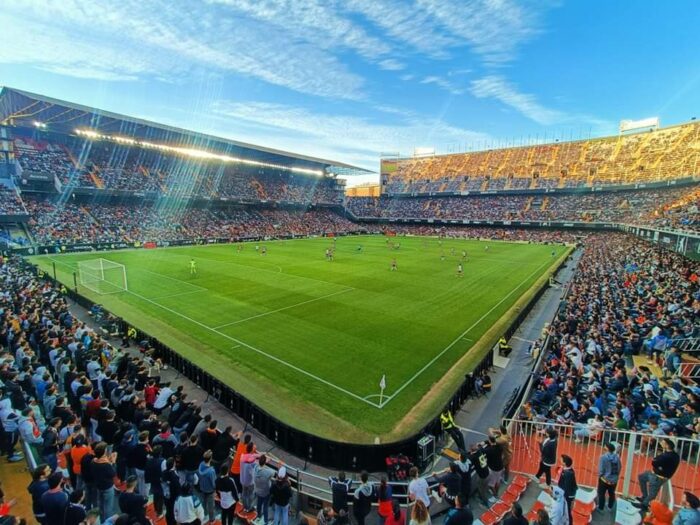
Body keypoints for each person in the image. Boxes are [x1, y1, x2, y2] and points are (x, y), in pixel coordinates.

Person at [635, 438, 680, 511]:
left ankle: (644, 504)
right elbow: (656, 462)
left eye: (663, 443)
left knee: (653, 492)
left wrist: (657, 464)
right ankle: (644, 497)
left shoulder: (667, 456)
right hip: (655, 473)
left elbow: (654, 462)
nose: (661, 444)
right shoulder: (674, 455)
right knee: (641, 477)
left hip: (659, 476)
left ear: (667, 445)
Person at [597, 443, 621, 512]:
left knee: (601, 494)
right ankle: (610, 506)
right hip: (614, 480)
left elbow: (601, 469)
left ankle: (601, 508)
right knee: (611, 493)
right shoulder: (617, 457)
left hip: (604, 479)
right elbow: (619, 468)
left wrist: (601, 475)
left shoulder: (603, 457)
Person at [197, 450, 217, 524]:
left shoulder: (201, 465)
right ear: (210, 458)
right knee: (211, 506)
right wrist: (215, 489)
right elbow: (213, 483)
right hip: (210, 491)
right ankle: (212, 519)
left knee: (203, 503)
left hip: (202, 488)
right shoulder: (211, 471)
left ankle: (204, 515)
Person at [254, 454, 275, 525]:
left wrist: (265, 461)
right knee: (265, 506)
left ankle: (259, 516)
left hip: (257, 490)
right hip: (266, 492)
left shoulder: (256, 468)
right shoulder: (267, 472)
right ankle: (266, 521)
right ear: (264, 462)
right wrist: (266, 463)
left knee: (259, 504)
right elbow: (273, 472)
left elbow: (257, 463)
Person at [557, 456, 578, 525]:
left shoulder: (568, 473)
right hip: (567, 493)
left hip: (568, 495)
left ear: (565, 463)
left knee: (568, 511)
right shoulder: (567, 470)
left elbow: (567, 487)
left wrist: (562, 496)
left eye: (561, 460)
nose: (560, 460)